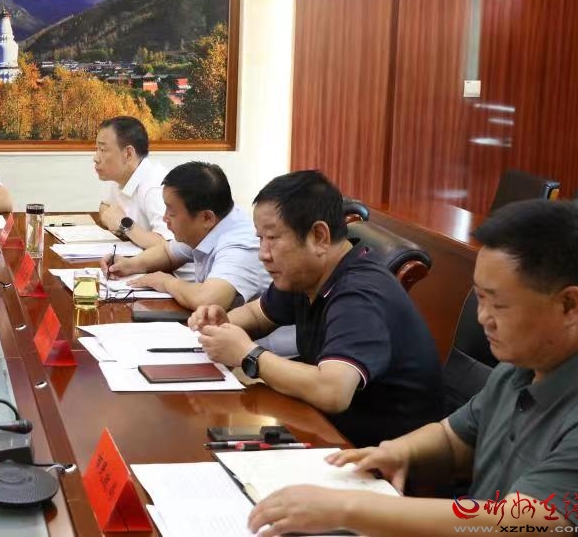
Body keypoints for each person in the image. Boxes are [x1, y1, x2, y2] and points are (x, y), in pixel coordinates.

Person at [246, 199, 578, 537]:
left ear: (569, 305)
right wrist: (400, 452)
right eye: (480, 298)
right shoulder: (522, 366)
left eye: (498, 305)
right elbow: (454, 438)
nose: (482, 318)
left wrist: (348, 509)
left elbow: (525, 523)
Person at [189, 170, 442, 448]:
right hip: (325, 428)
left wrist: (249, 355)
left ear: (319, 236)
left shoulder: (360, 293)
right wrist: (221, 322)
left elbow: (333, 391)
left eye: (272, 238)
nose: (263, 253)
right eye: (260, 238)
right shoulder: (305, 275)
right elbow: (257, 315)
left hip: (382, 453)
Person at [101, 161, 295, 355]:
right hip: (227, 344)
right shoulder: (211, 224)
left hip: (265, 356)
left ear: (206, 218)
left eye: (172, 212)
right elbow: (168, 252)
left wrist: (166, 282)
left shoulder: (240, 245)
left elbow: (208, 299)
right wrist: (129, 264)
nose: (165, 218)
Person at [91, 116, 170, 249]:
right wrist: (112, 220)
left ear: (128, 154)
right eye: (96, 149)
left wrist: (124, 225)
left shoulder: (155, 186)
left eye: (103, 150)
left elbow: (168, 245)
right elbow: (105, 207)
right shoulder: (121, 177)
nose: (95, 158)